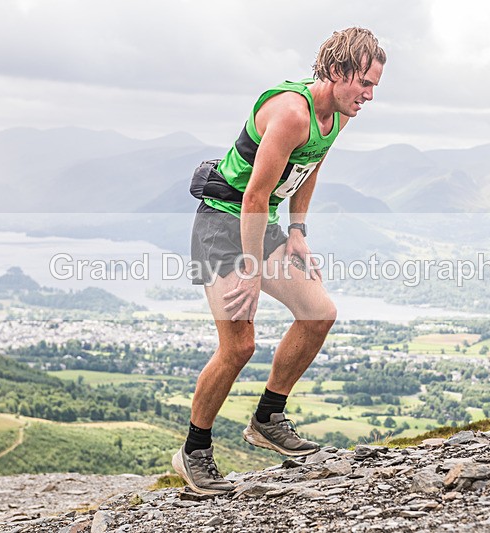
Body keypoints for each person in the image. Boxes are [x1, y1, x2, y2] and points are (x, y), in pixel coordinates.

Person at [172, 27, 386, 494]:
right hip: (224, 224)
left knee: (319, 313)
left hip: (259, 223)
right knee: (239, 347)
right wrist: (250, 269)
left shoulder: (338, 116)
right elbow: (253, 194)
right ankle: (194, 451)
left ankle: (268, 418)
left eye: (374, 87)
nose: (369, 95)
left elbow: (310, 166)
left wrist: (297, 231)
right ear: (335, 71)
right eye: (364, 84)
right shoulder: (291, 112)